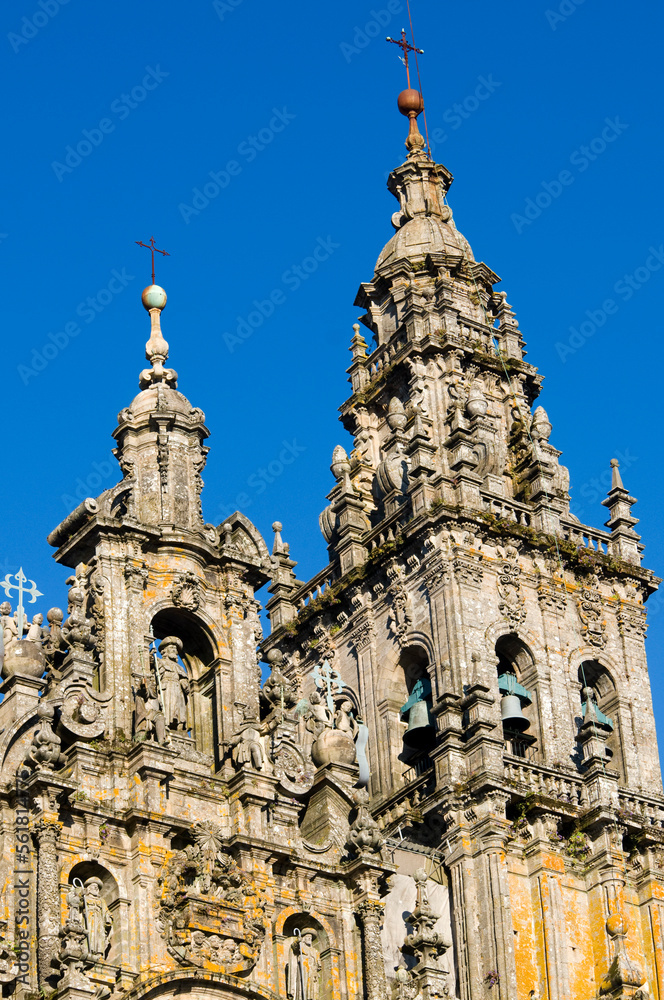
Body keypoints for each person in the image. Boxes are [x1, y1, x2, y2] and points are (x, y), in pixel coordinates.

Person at [157, 637, 189, 730]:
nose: (174, 650)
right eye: (171, 648)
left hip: (178, 689)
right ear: (165, 651)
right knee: (167, 707)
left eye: (175, 648)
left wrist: (184, 682)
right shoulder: (160, 662)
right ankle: (165, 725)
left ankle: (180, 726)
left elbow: (183, 678)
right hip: (167, 688)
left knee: (179, 709)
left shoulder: (179, 667)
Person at [83, 877, 112, 958]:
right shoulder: (85, 898)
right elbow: (78, 905)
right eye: (93, 886)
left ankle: (99, 953)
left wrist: (108, 917)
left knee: (100, 934)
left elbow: (106, 911)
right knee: (89, 933)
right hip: (88, 919)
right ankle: (88, 951)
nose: (96, 888)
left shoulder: (101, 900)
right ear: (88, 888)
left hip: (99, 920)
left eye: (97, 887)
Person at [287, 930, 320, 1000]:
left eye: (310, 938)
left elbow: (318, 965)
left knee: (312, 989)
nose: (309, 939)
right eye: (307, 937)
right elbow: (293, 947)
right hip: (303, 970)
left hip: (312, 971)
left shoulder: (314, 951)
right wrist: (297, 941)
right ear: (304, 938)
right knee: (302, 985)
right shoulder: (301, 946)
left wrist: (315, 969)